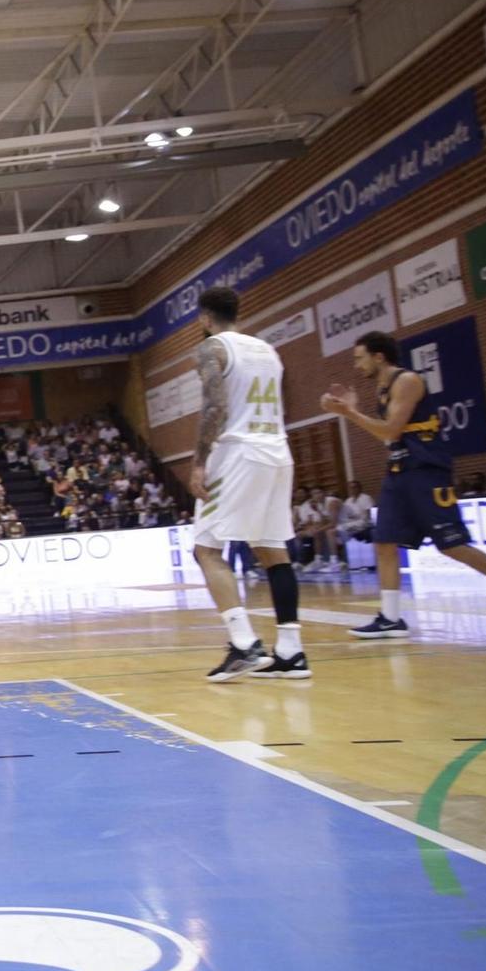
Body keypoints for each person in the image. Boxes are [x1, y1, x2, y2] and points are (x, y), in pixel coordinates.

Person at [322, 331, 486, 635]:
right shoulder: (382, 388)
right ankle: (390, 618)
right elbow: (388, 436)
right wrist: (351, 410)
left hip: (426, 470)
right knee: (384, 541)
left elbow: (390, 430)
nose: (356, 365)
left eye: (359, 358)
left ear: (379, 356)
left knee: (451, 545)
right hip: (399, 469)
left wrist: (349, 412)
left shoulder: (408, 381)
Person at [187, 288, 306, 682]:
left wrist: (200, 462)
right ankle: (291, 651)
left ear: (205, 318)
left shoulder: (212, 349)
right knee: (272, 550)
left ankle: (243, 643)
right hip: (277, 451)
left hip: (237, 453)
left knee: (206, 549)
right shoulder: (267, 350)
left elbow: (215, 409)